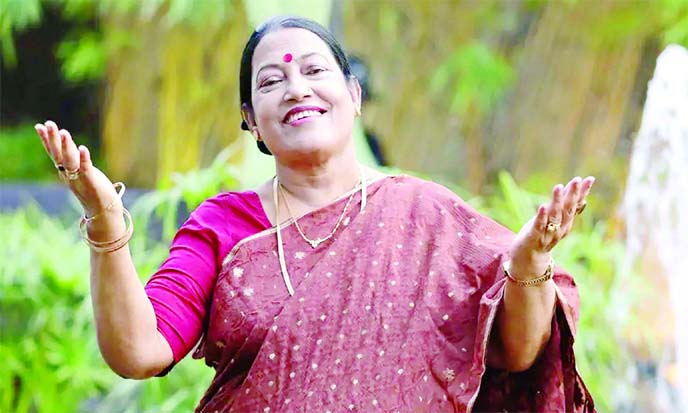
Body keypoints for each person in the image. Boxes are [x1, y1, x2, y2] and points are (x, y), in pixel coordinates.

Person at [34, 16, 595, 413]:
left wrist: (529, 262)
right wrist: (106, 226)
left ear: (354, 96)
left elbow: (518, 352)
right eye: (271, 81)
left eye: (314, 71)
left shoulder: (425, 216)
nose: (296, 89)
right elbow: (139, 351)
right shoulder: (223, 225)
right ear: (251, 121)